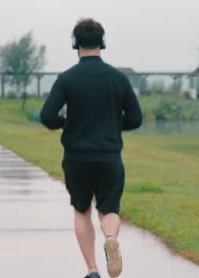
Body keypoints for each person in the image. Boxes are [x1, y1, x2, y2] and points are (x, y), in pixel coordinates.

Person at [40, 18, 142, 278]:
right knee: (109, 209)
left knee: (82, 210)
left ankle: (93, 269)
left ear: (75, 43)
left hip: (77, 157)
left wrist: (67, 123)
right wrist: (111, 124)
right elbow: (135, 118)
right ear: (102, 42)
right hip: (109, 156)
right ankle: (111, 238)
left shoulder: (67, 79)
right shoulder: (118, 78)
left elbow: (48, 116)